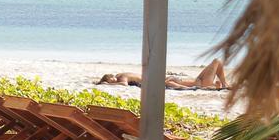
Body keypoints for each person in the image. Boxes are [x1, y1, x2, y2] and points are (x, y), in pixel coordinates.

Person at [98, 58, 229, 90]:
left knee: (217, 62)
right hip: (195, 82)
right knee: (217, 62)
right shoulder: (122, 75)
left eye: (111, 81)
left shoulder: (121, 77)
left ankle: (222, 85)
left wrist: (106, 84)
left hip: (196, 83)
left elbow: (123, 85)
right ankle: (223, 85)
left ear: (111, 78)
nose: (113, 82)